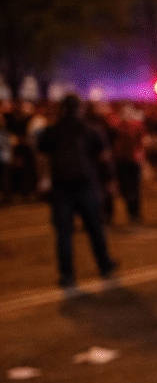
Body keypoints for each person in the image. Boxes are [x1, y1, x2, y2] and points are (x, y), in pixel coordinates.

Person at [36, 94, 118, 289]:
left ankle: (67, 274)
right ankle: (104, 264)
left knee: (64, 233)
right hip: (86, 185)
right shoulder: (91, 130)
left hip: (61, 187)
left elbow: (41, 157)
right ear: (80, 109)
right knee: (95, 228)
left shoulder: (52, 131)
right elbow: (105, 157)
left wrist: (43, 180)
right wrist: (111, 180)